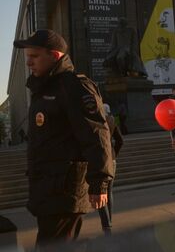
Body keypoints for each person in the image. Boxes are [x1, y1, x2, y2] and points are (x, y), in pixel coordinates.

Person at [13, 30, 113, 248]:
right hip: (47, 189)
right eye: (27, 56)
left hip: (64, 191)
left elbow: (96, 135)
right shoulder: (44, 88)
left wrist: (100, 183)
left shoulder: (74, 86)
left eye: (35, 56)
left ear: (55, 56)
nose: (29, 62)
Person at [98, 103, 124, 236]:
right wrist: (114, 154)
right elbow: (120, 140)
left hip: (101, 161)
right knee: (109, 192)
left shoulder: (98, 122)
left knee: (100, 192)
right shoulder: (112, 121)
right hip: (112, 160)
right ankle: (109, 222)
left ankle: (106, 227)